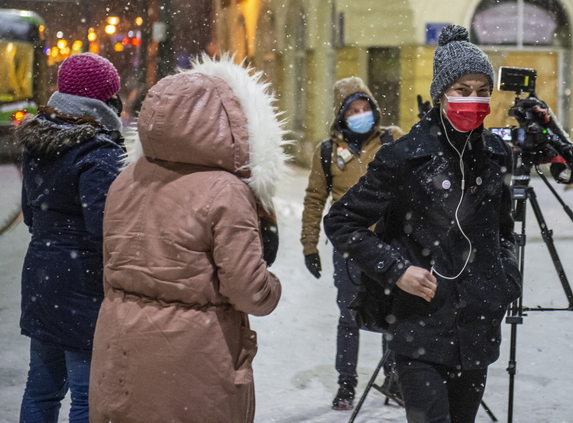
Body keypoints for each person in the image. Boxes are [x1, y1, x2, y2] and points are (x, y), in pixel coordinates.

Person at [324, 24, 521, 423]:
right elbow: (342, 221)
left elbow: (502, 232)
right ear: (441, 94)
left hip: (476, 326)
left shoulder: (496, 156)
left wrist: (503, 280)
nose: (475, 99)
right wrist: (396, 270)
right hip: (419, 325)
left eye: (482, 89)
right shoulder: (404, 157)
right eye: (463, 90)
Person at [88, 55, 285, 423]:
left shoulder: (126, 180)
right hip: (194, 360)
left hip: (121, 351)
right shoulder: (225, 191)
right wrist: (271, 286)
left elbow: (112, 264)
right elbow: (248, 290)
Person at [16, 53, 125, 423]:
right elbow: (105, 229)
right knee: (88, 394)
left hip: (41, 275)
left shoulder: (37, 142)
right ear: (105, 99)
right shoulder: (101, 151)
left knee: (41, 390)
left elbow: (30, 214)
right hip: (83, 284)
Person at [300, 76, 403, 410]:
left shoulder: (392, 139)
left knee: (394, 314)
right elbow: (315, 199)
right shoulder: (328, 150)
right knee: (349, 315)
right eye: (353, 110)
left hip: (389, 243)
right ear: (341, 116)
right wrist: (309, 245)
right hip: (349, 248)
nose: (361, 114)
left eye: (365, 108)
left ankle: (394, 379)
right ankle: (346, 385)